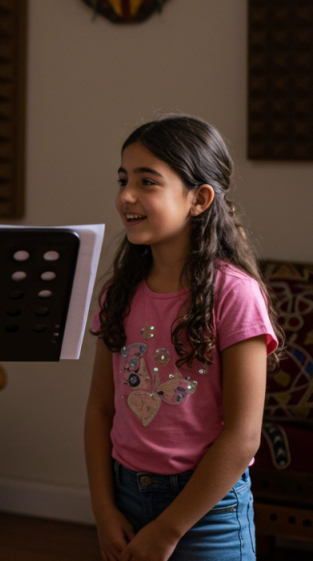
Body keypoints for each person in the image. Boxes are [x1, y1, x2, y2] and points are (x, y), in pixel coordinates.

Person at [84, 115, 285, 561]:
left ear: (200, 199)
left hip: (209, 511)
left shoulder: (235, 293)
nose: (126, 196)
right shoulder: (119, 291)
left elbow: (243, 436)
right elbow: (100, 410)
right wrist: (103, 509)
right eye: (123, 179)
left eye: (147, 181)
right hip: (126, 496)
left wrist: (168, 530)